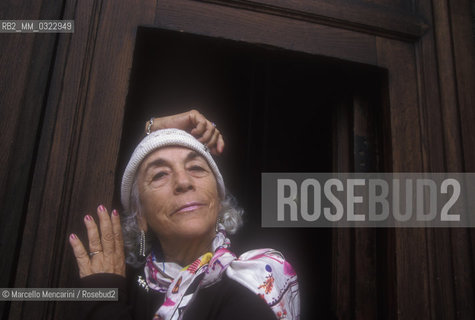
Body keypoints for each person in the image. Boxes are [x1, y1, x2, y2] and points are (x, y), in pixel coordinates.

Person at [69, 110, 300, 319]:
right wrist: (150, 127)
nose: (183, 182)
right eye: (159, 174)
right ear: (140, 216)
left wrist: (101, 307)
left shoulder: (253, 281)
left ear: (219, 202)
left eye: (196, 168)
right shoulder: (124, 282)